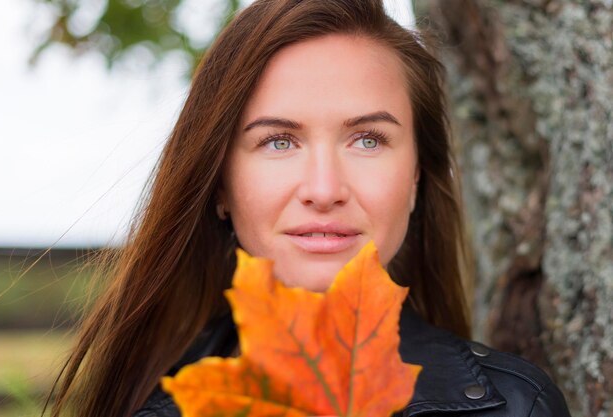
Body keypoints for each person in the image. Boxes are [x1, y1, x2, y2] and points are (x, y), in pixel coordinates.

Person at [47, 0, 572, 416]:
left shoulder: (519, 407)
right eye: (279, 141)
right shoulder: (163, 409)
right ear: (221, 186)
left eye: (368, 140)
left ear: (416, 178)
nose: (324, 189)